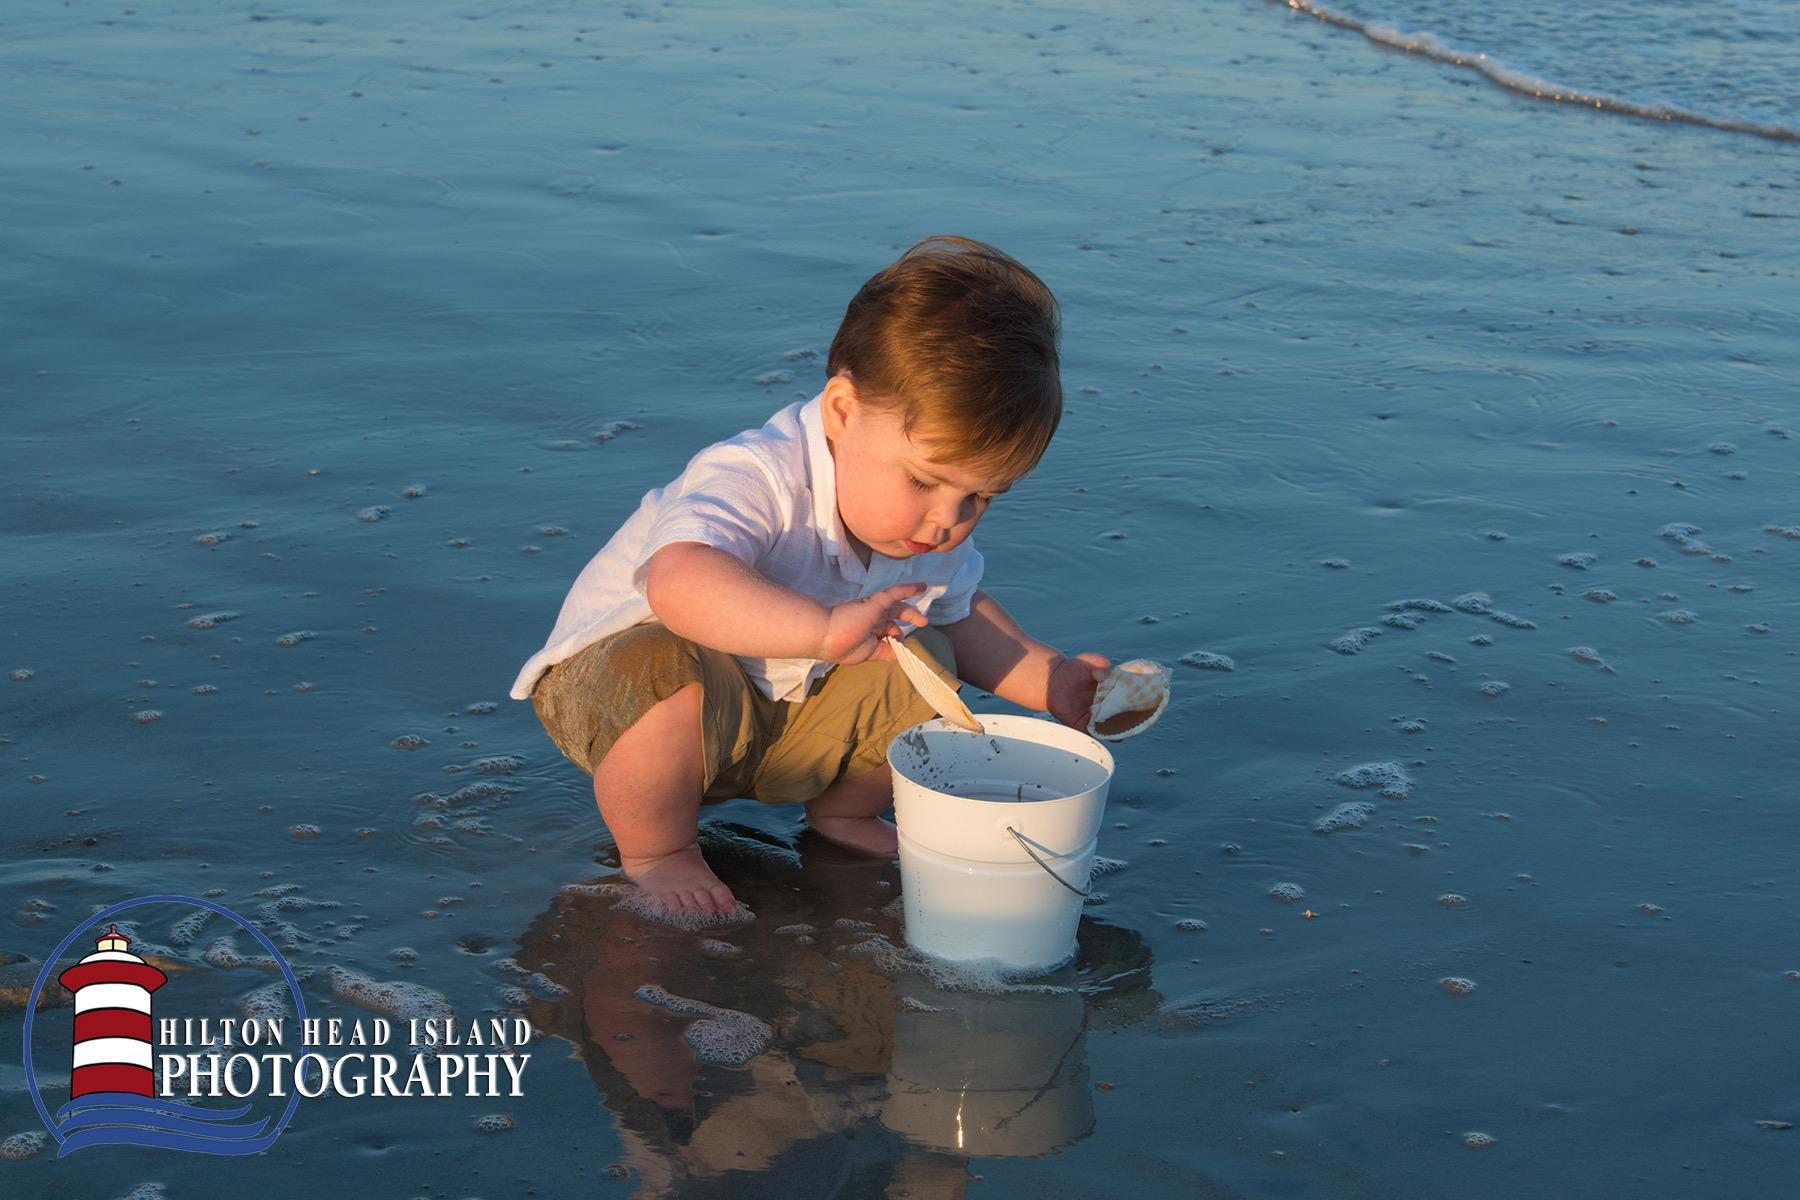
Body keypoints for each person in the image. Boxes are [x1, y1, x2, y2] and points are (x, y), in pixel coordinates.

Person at [511, 235, 1112, 917]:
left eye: (981, 497)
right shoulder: (756, 475)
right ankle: (658, 851)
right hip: (623, 700)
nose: (949, 519)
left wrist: (1052, 678)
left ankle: (842, 816)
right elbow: (677, 583)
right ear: (842, 412)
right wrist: (822, 630)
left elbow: (964, 617)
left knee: (929, 660)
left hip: (778, 718)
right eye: (925, 480)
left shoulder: (924, 527)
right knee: (662, 666)